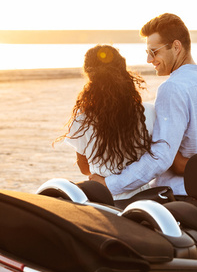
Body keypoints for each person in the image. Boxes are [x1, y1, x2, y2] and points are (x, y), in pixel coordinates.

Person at [90, 13, 197, 196]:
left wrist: (110, 185)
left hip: (178, 197)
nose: (149, 60)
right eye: (147, 53)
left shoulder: (173, 87)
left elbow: (161, 157)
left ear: (176, 47)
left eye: (154, 52)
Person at [55, 44, 156, 200]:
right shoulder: (149, 113)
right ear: (123, 70)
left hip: (103, 198)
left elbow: (84, 169)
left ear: (90, 76)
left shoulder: (82, 119)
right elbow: (155, 160)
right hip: (141, 199)